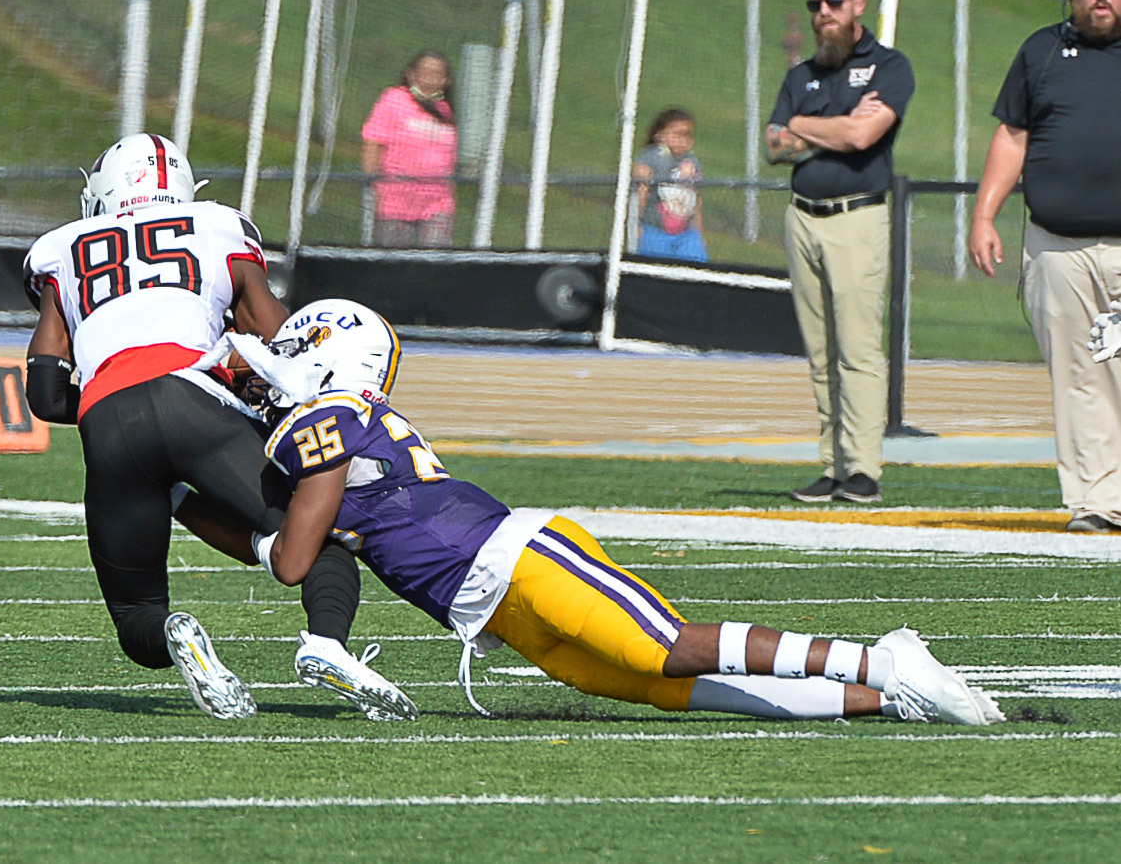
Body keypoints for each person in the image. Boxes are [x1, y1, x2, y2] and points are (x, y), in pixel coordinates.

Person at [206, 298, 1002, 726]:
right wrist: (184, 498)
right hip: (492, 609)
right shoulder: (315, 427)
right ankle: (883, 700)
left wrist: (187, 485)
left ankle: (884, 661)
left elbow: (291, 559)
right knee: (660, 689)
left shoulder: (326, 416)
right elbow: (281, 541)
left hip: (516, 558)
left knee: (672, 648)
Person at [21, 133, 413, 721]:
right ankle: (329, 646)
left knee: (137, 618)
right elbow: (282, 347)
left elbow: (47, 396)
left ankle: (178, 631)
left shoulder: (59, 251)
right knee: (318, 540)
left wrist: (119, 405)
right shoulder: (219, 227)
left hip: (106, 420)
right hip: (196, 399)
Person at [970, 0, 1121, 534]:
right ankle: (1096, 503)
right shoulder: (1042, 51)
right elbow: (1013, 136)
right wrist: (985, 215)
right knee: (1080, 376)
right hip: (1057, 246)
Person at [765, 0, 914, 505]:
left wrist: (806, 126)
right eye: (814, 6)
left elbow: (863, 135)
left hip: (857, 217)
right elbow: (774, 144)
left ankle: (863, 469)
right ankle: (831, 465)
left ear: (857, 5)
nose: (822, 14)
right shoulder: (801, 74)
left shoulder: (888, 66)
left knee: (858, 349)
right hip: (802, 215)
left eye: (832, 3)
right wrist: (831, 128)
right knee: (820, 352)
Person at [361, 51, 457, 248]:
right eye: (425, 73)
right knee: (394, 262)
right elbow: (373, 139)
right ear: (412, 75)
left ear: (446, 80)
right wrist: (370, 181)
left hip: (436, 202)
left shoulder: (445, 110)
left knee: (434, 261)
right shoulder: (394, 99)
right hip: (395, 201)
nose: (431, 79)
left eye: (437, 74)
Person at [632, 108, 706, 262]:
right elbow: (641, 192)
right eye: (676, 134)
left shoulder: (692, 161)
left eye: (687, 135)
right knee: (655, 267)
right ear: (660, 136)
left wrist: (698, 230)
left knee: (696, 265)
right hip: (654, 229)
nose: (682, 140)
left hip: (686, 232)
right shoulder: (650, 157)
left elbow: (696, 198)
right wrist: (636, 223)